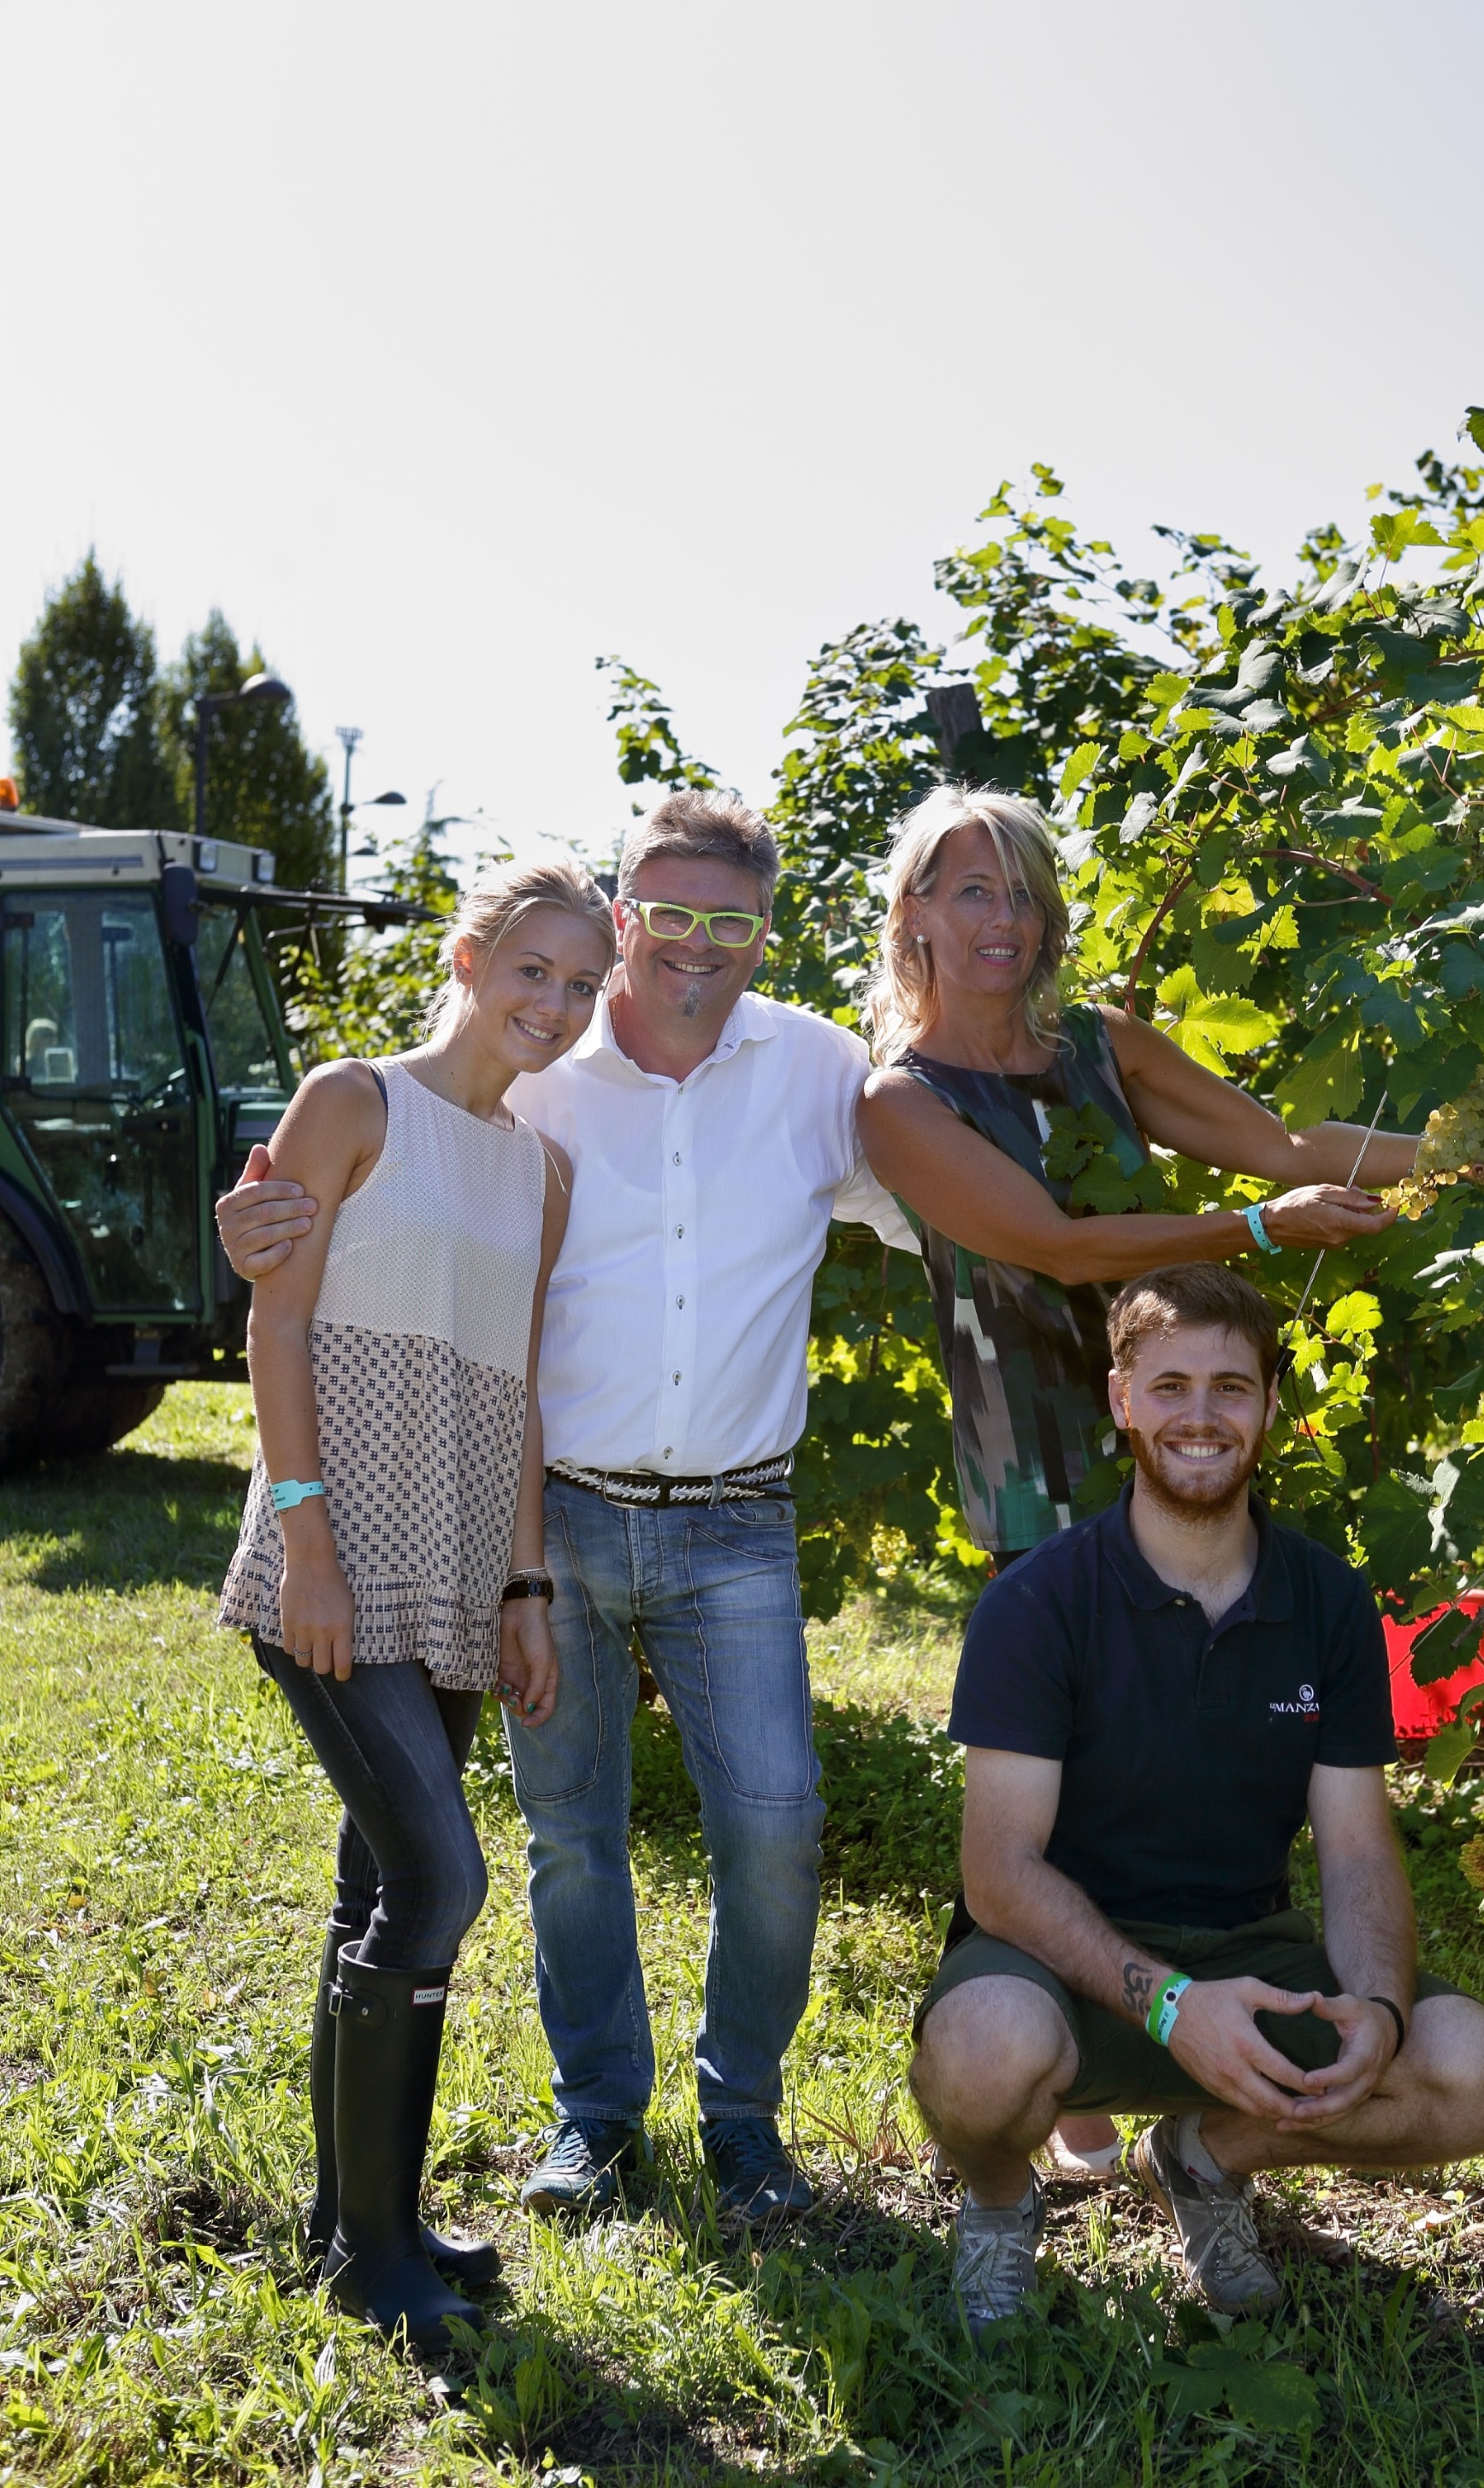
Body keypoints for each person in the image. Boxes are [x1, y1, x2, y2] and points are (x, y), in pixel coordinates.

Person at [216, 789, 917, 2232]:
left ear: (764, 930)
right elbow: (301, 1262)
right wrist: (249, 1228)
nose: (689, 946)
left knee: (774, 1825)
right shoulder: (505, 1088)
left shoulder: (806, 1073)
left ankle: (734, 2122)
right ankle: (581, 2125)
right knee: (546, 1846)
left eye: (728, 919)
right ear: (614, 922)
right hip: (521, 1524)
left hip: (682, 1525)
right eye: (661, 916)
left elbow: (946, 1191)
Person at [856, 783, 1422, 2182]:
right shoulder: (897, 1100)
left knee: (1175, 1761)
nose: (1001, 916)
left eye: (1021, 890)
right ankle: (1048, 2075)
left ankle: (1152, 2053)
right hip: (1040, 1455)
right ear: (912, 913)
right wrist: (1247, 1225)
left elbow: (1291, 1149)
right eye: (967, 889)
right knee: (1053, 1772)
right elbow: (1048, 1245)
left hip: (1175, 1426)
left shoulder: (1103, 1044)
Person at [908, 1262, 1484, 2338]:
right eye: (1171, 1384)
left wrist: (1378, 2009)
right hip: (1066, 1966)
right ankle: (1003, 2203)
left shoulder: (1325, 1600)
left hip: (1251, 1956)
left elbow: (1355, 1851)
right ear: (1121, 1398)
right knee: (979, 2053)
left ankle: (1201, 2158)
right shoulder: (1036, 1601)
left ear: (1269, 1404)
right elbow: (999, 1870)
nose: (1200, 1415)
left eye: (1231, 1387)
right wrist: (1163, 2001)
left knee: (1472, 2070)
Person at [218, 857, 614, 2355]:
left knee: (372, 1884)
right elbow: (282, 1311)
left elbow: (511, 1383)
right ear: (466, 955)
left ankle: (349, 2219)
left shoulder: (541, 1170)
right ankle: (379, 2252)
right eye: (534, 971)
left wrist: (523, 1581)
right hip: (333, 1545)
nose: (555, 1006)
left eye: (582, 985)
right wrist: (306, 1535)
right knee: (437, 1881)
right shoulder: (354, 1098)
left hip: (459, 1553)